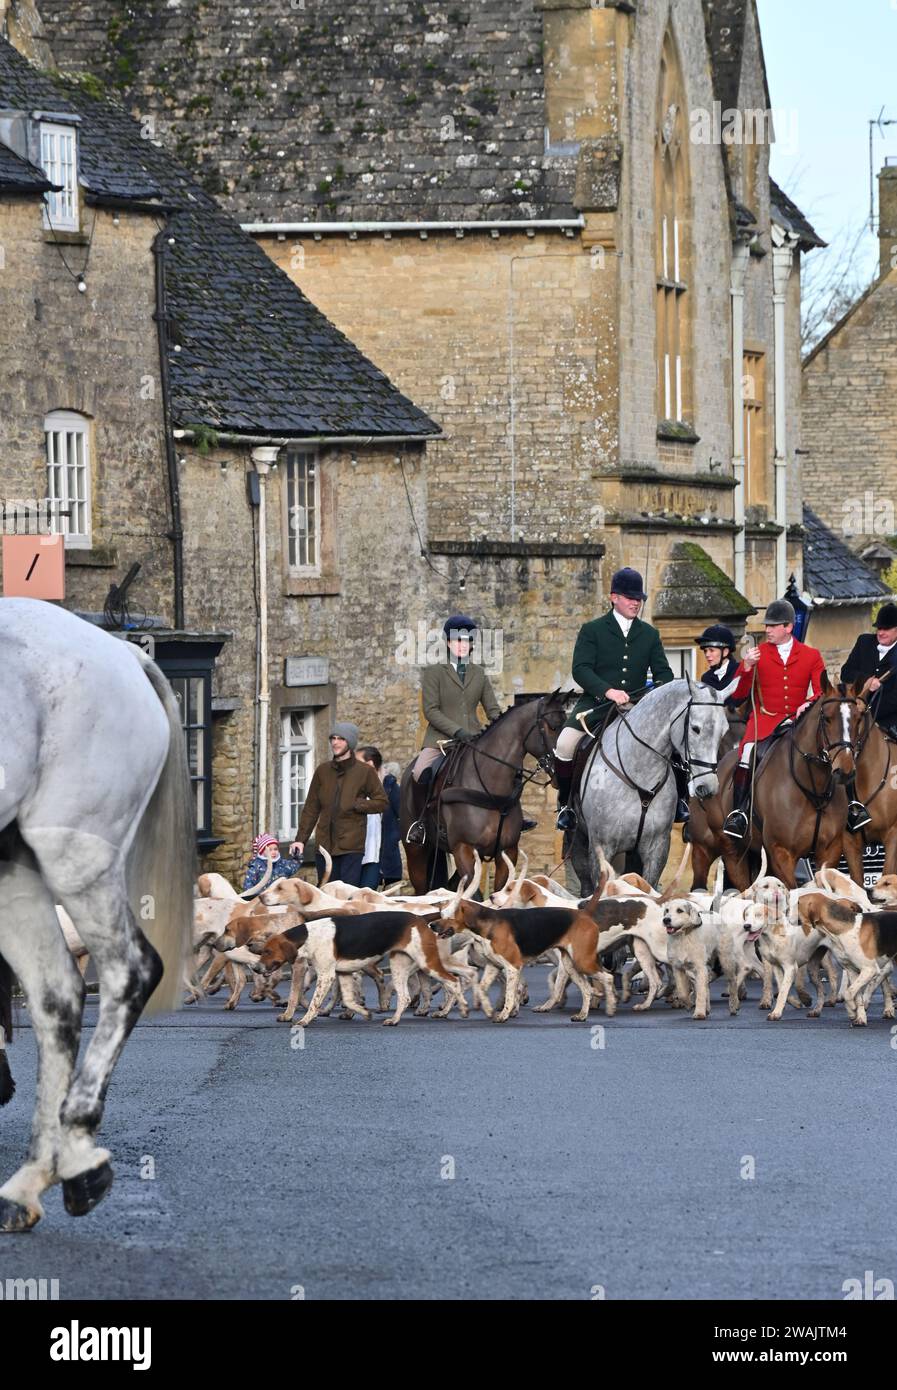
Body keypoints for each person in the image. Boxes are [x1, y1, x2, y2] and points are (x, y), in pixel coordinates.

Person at [554, 567, 676, 831]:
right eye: (630, 597)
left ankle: (680, 803)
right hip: (596, 707)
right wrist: (608, 691)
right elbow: (581, 669)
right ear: (614, 598)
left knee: (675, 744)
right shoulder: (593, 630)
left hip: (636, 709)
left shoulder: (649, 634)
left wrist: (658, 693)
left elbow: (664, 672)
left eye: (639, 598)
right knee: (564, 746)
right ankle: (566, 805)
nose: (636, 602)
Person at [721, 599, 832, 839]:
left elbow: (822, 690)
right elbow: (739, 696)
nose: (767, 630)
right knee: (748, 751)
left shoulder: (811, 655)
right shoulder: (757, 655)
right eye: (767, 625)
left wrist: (808, 704)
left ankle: (840, 808)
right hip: (765, 722)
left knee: (832, 750)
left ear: (788, 627)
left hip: (798, 721)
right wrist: (747, 668)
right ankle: (739, 813)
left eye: (773, 626)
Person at [406, 614, 503, 846]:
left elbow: (492, 708)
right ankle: (420, 823)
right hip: (440, 740)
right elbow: (431, 710)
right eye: (457, 640)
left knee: (502, 770)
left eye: (467, 641)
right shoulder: (433, 673)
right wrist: (458, 732)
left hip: (474, 740)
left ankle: (511, 815)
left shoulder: (479, 673)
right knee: (419, 772)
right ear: (448, 643)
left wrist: (501, 729)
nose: (462, 645)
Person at [289, 722, 388, 886]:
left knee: (346, 898)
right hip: (324, 847)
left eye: (341, 739)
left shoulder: (365, 772)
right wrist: (301, 840)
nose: (335, 742)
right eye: (333, 738)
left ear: (350, 743)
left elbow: (382, 803)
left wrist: (358, 804)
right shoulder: (323, 771)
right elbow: (311, 808)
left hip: (351, 847)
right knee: (326, 894)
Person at [356, 746, 403, 888]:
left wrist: (392, 837)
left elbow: (404, 816)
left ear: (369, 764)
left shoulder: (389, 787)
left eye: (356, 762)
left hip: (385, 858)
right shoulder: (355, 786)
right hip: (357, 856)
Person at [695, 624, 740, 693]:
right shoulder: (706, 678)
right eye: (705, 651)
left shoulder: (739, 671)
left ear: (725, 652)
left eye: (711, 650)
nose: (707, 655)